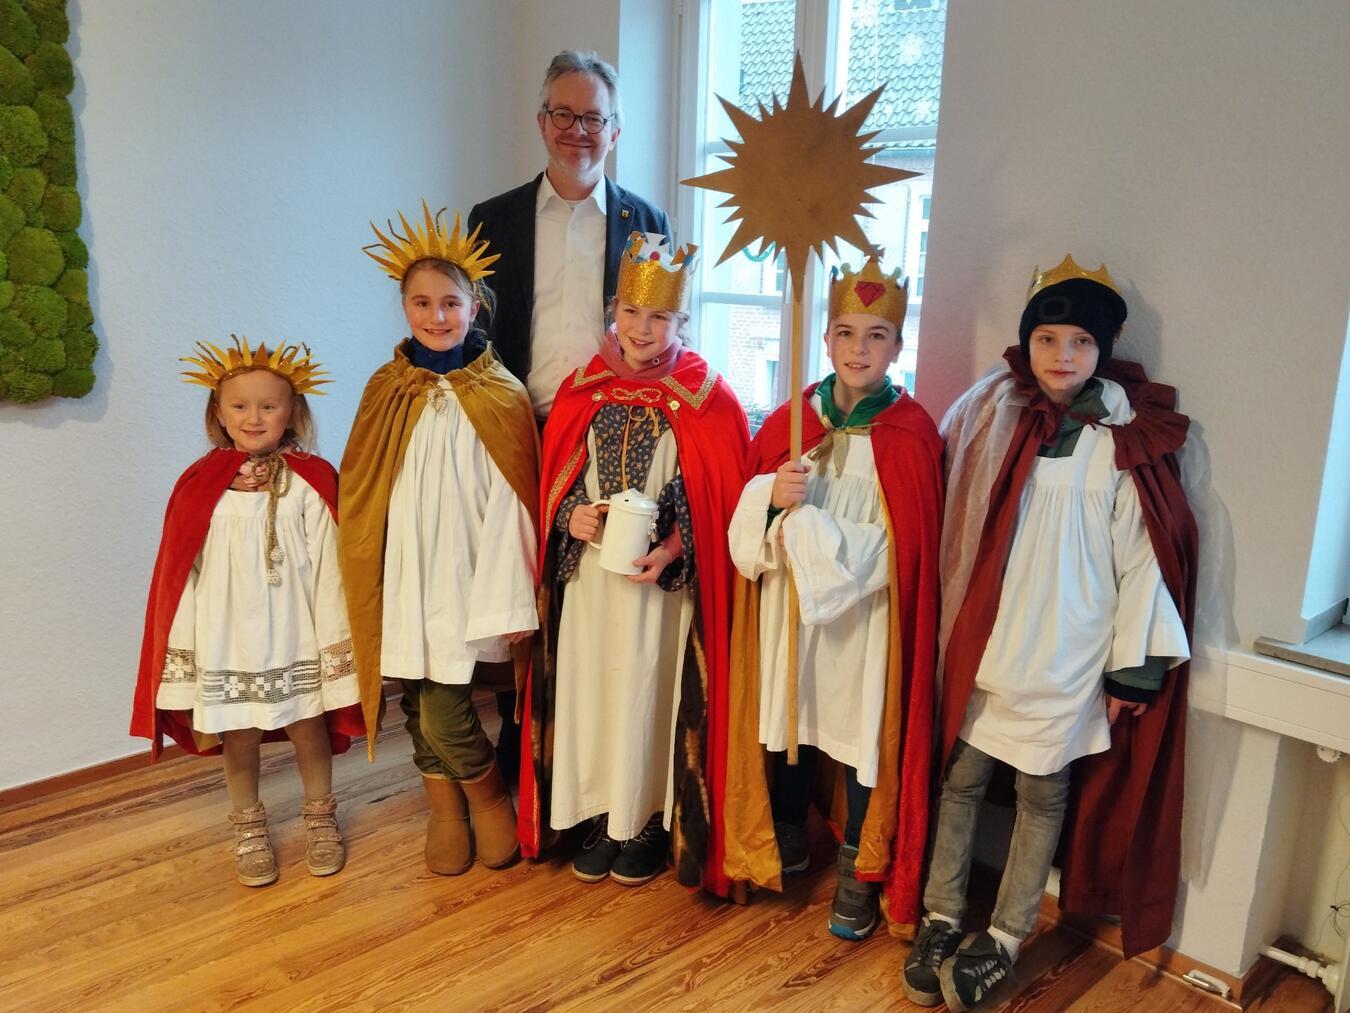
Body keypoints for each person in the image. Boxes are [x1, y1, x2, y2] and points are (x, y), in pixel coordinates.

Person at [902, 256, 1197, 1011]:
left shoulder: (1120, 439)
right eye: (1047, 339)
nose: (1062, 356)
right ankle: (940, 914)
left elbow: (1142, 557)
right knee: (961, 779)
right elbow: (952, 503)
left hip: (1069, 654)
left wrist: (1133, 671)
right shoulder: (994, 411)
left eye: (1079, 342)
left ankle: (1003, 934)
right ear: (1027, 343)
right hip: (993, 644)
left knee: (1042, 792)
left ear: (1103, 350)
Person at [520, 232, 748, 893]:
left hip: (658, 589)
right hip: (590, 582)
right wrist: (571, 516)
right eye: (631, 313)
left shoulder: (709, 398)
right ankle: (594, 811)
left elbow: (716, 498)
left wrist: (678, 544)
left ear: (682, 321)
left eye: (660, 318)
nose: (642, 330)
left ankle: (643, 818)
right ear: (612, 311)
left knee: (647, 690)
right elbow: (559, 480)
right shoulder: (580, 389)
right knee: (591, 690)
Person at [468, 50, 674, 777]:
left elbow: (662, 329)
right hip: (520, 424)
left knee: (583, 590)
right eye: (564, 113)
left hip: (606, 432)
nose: (577, 129)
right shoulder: (490, 220)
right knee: (522, 582)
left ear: (615, 130)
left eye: (593, 117)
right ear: (541, 121)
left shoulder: (646, 220)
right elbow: (474, 331)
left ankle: (578, 742)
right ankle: (521, 738)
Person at [724, 259, 942, 941]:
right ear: (824, 338)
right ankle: (784, 829)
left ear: (897, 348)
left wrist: (811, 527)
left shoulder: (911, 432)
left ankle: (859, 861)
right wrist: (769, 499)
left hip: (867, 614)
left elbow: (903, 547)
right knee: (788, 713)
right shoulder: (791, 422)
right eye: (846, 332)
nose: (858, 348)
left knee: (859, 730)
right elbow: (744, 532)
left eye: (876, 335)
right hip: (790, 604)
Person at [338, 203, 540, 874]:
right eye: (421, 302)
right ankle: (446, 810)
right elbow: (363, 486)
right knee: (417, 700)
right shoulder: (386, 389)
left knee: (448, 702)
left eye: (449, 302)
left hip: (464, 573)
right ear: (404, 308)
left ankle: (487, 802)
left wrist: (511, 595)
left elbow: (514, 500)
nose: (436, 315)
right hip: (406, 571)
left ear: (474, 307)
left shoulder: (501, 394)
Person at [131, 337, 364, 887]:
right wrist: (188, 646)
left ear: (293, 412)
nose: (254, 417)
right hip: (227, 635)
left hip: (296, 630)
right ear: (218, 412)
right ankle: (248, 826)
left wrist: (334, 644)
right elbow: (181, 574)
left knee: (309, 723)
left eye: (269, 405)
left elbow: (333, 567)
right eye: (240, 406)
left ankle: (320, 817)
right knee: (238, 732)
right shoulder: (199, 485)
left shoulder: (312, 480)